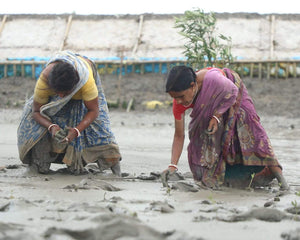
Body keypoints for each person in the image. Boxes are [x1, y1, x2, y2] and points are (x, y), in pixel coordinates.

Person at [164, 65, 289, 190]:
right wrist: (172, 166)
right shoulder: (179, 103)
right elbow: (179, 135)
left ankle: (279, 177)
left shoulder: (213, 79)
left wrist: (217, 116)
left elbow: (233, 91)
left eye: (181, 96)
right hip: (214, 107)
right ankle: (233, 177)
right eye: (174, 98)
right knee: (206, 137)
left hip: (231, 94)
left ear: (192, 85)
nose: (178, 101)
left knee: (252, 130)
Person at [17, 51, 121, 175]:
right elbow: (36, 111)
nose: (61, 96)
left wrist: (76, 130)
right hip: (57, 88)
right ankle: (37, 164)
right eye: (58, 92)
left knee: (99, 128)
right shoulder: (45, 80)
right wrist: (52, 127)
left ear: (75, 87)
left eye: (65, 93)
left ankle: (115, 168)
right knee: (32, 123)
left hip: (85, 81)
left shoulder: (86, 81)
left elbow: (94, 111)